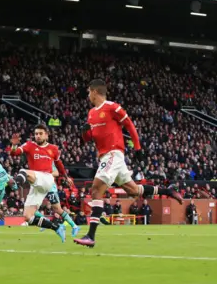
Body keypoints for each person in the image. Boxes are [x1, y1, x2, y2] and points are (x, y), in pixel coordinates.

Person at [74, 79, 183, 248]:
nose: (88, 95)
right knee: (134, 191)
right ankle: (167, 191)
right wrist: (84, 133)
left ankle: (91, 235)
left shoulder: (112, 107)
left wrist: (138, 148)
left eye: (89, 92)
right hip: (104, 156)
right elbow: (90, 139)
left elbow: (129, 125)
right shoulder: (91, 113)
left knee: (96, 190)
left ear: (95, 91)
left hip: (114, 153)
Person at [10, 124, 74, 242]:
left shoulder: (53, 148)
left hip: (47, 178)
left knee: (23, 171)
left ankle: (14, 185)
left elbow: (59, 165)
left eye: (40, 133)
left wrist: (66, 177)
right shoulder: (29, 145)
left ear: (46, 135)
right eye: (36, 134)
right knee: (28, 217)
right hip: (37, 184)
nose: (37, 136)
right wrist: (14, 145)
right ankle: (56, 227)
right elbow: (14, 153)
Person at [39, 163, 79, 237]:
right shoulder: (37, 159)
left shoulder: (49, 160)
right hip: (40, 186)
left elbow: (56, 173)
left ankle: (74, 226)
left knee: (57, 209)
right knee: (32, 207)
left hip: (50, 187)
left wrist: (44, 174)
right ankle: (46, 222)